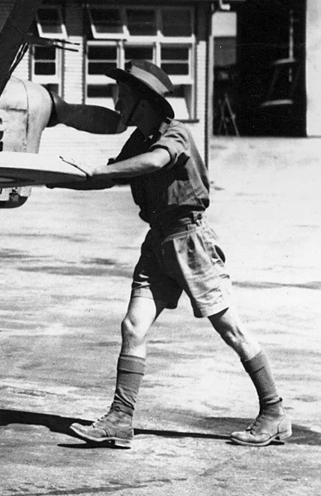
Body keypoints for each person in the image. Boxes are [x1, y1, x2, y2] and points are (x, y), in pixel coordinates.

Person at [54, 59, 289, 448]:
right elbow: (113, 175)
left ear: (142, 101)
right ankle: (120, 419)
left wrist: (96, 172)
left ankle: (275, 412)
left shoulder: (173, 135)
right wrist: (57, 180)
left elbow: (156, 161)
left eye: (122, 95)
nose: (115, 102)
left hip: (190, 241)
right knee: (133, 326)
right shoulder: (139, 141)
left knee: (231, 329)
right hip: (158, 242)